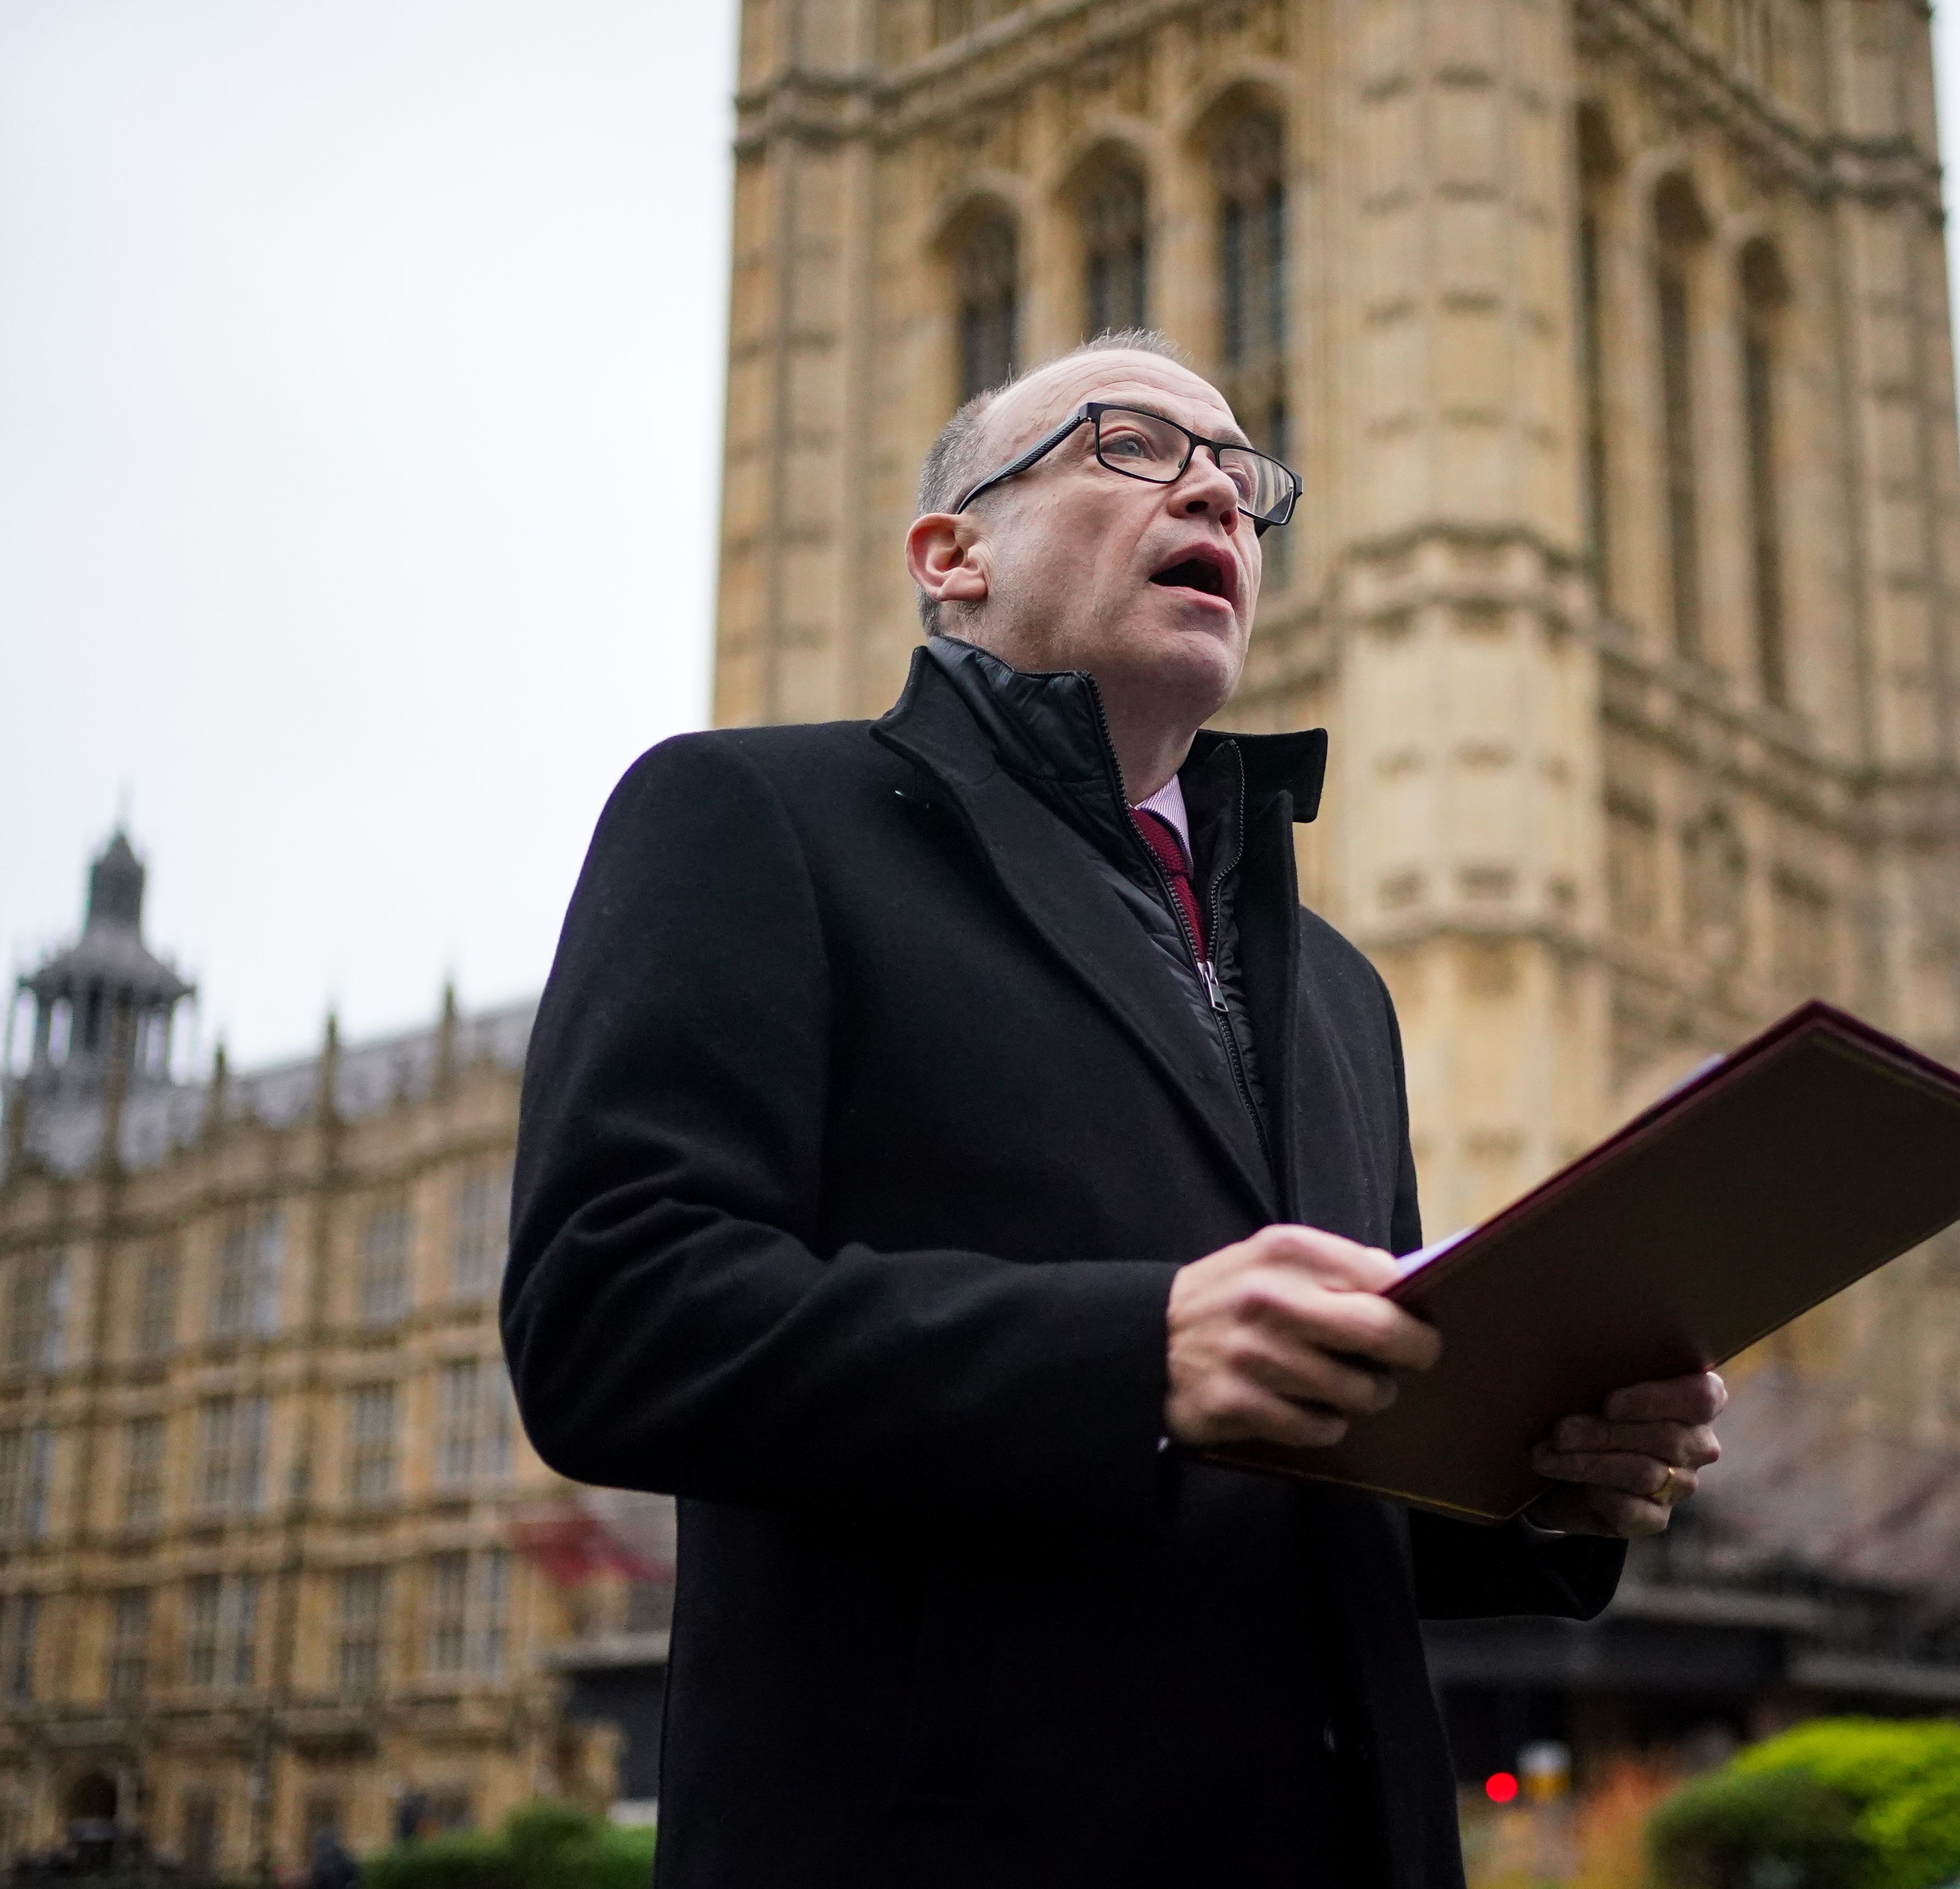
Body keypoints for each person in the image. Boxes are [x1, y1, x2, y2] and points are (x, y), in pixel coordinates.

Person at [505, 331, 1726, 1889]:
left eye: (1242, 474)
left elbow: (1345, 1482)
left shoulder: (1342, 990)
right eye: (1132, 445)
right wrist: (1134, 1353)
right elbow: (610, 1318)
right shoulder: (754, 819)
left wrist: (1546, 1478)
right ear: (953, 557)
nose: (1215, 487)